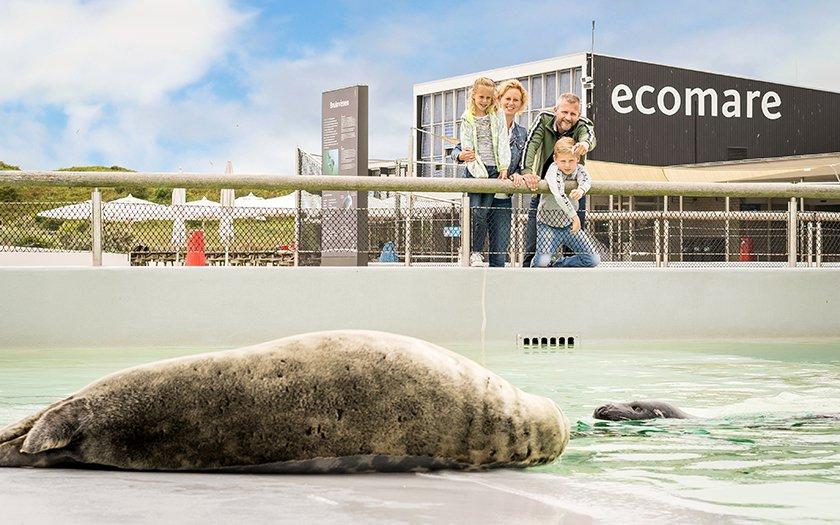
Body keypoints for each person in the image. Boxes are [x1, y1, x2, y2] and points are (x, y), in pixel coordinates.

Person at [452, 79, 528, 267]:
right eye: (507, 98)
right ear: (499, 99)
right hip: (480, 178)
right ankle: (473, 257)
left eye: (516, 100)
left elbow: (523, 162)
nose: (511, 103)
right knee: (476, 219)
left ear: (521, 104)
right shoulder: (476, 120)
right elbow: (459, 148)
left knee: (499, 250)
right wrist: (460, 156)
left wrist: (517, 173)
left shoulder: (522, 133)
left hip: (501, 193)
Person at [521, 92, 596, 267]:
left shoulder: (582, 125)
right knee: (533, 246)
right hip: (544, 193)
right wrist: (527, 171)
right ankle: (529, 279)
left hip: (572, 193)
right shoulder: (543, 119)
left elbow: (589, 137)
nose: (568, 117)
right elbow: (531, 144)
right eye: (564, 112)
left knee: (573, 248)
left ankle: (567, 282)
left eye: (573, 114)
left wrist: (585, 144)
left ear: (578, 115)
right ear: (556, 110)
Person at [457, 77, 510, 266]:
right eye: (481, 97)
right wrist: (469, 159)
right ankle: (472, 250)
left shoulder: (497, 116)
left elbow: (503, 141)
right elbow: (466, 146)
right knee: (475, 212)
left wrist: (503, 165)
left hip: (493, 169)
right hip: (475, 169)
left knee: (484, 212)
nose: (485, 101)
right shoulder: (467, 117)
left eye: (489, 97)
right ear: (474, 95)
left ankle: (476, 251)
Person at [531, 137, 599, 268]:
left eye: (571, 160)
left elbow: (586, 179)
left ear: (577, 159)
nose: (567, 165)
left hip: (568, 226)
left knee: (593, 259)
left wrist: (581, 190)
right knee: (541, 263)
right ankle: (539, 262)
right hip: (548, 225)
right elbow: (559, 194)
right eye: (563, 161)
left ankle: (557, 262)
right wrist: (575, 217)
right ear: (555, 159)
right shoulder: (553, 170)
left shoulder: (579, 169)